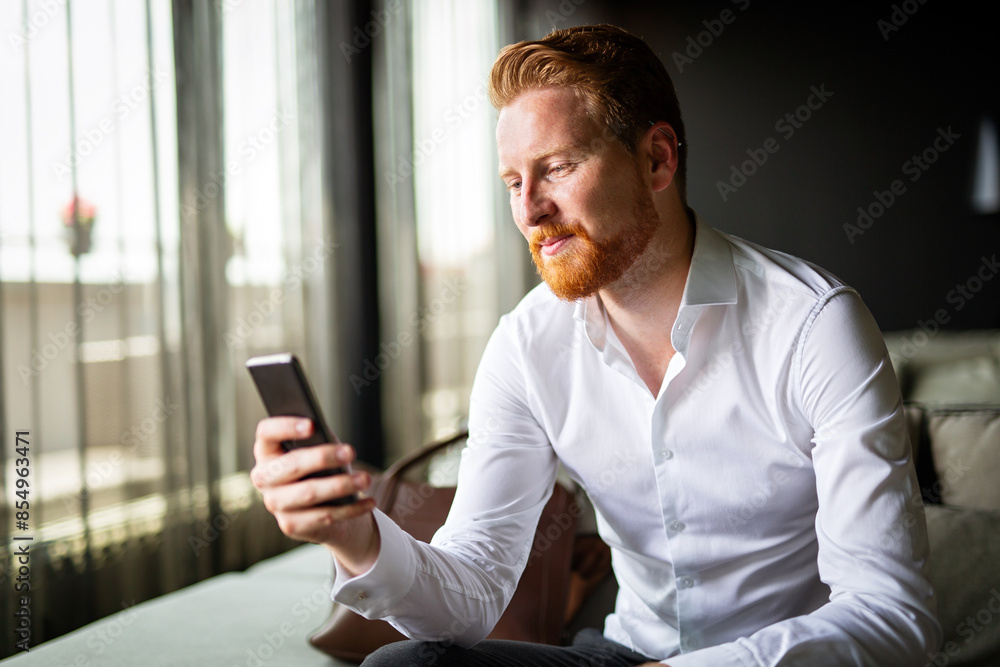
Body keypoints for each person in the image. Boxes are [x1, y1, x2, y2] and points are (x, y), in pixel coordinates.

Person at [251, 24, 941, 666]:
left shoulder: (815, 326)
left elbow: (893, 614)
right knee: (405, 663)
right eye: (514, 182)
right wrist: (353, 535)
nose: (529, 211)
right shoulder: (526, 344)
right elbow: (471, 592)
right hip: (621, 654)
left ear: (657, 160)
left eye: (556, 168)